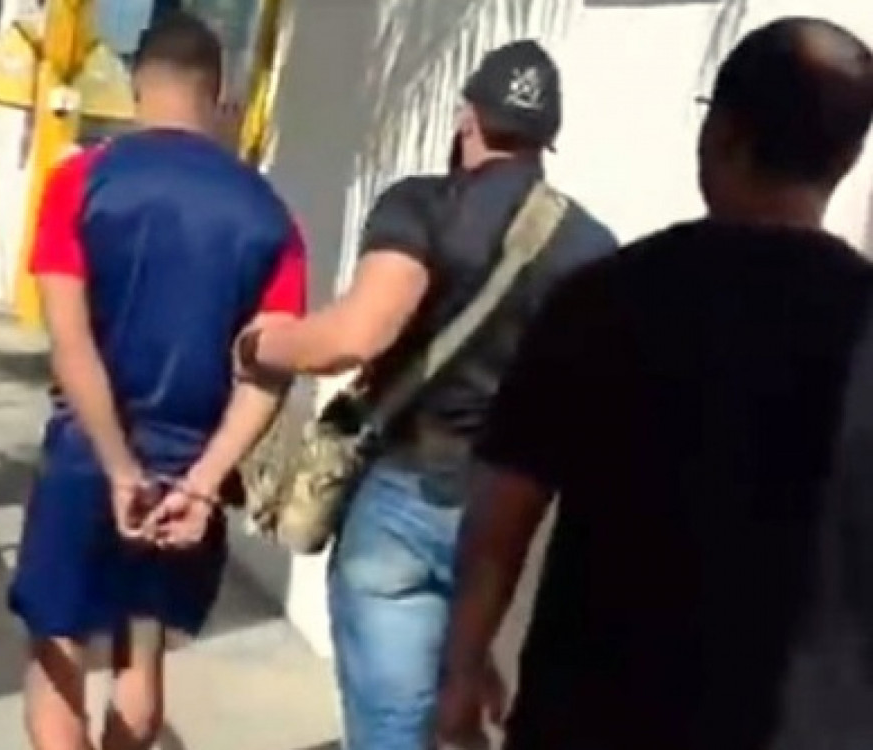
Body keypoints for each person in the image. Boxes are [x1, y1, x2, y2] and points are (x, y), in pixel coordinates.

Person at [437, 17, 873, 750]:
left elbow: (503, 512)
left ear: (721, 133)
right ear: (848, 157)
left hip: (598, 717)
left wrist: (464, 664)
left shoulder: (605, 299)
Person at [238, 40, 615, 750]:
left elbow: (357, 334)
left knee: (393, 730)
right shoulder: (591, 246)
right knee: (463, 714)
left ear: (468, 116)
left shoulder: (424, 205)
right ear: (547, 140)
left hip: (405, 494)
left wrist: (259, 345)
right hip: (510, 513)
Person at [7, 11, 306, 750]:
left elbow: (70, 342)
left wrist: (117, 468)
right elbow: (268, 371)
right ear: (219, 94)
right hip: (187, 476)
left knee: (56, 658)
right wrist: (202, 484)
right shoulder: (271, 217)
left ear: (137, 86)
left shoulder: (79, 181)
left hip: (86, 458)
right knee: (142, 664)